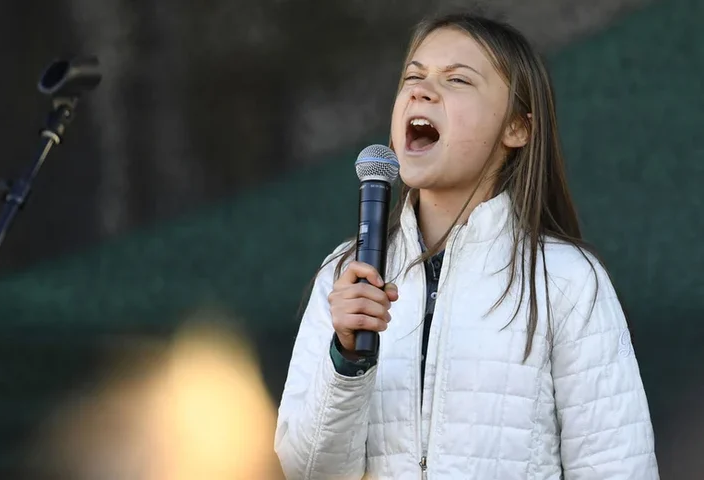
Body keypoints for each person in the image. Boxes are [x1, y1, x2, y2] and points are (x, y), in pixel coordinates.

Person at [274, 13, 659, 480]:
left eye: (457, 79)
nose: (421, 90)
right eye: (413, 77)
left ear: (517, 128)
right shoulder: (345, 273)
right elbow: (308, 470)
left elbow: (618, 467)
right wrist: (347, 358)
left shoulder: (567, 280)